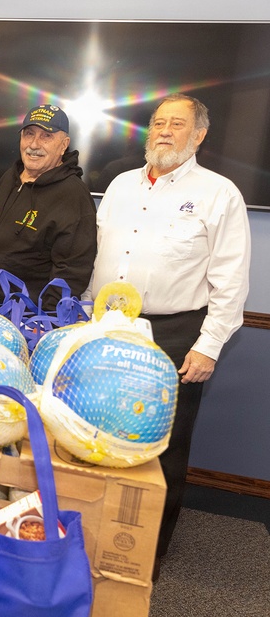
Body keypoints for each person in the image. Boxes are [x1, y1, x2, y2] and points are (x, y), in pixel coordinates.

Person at [90, 93, 251, 574]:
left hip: (176, 333)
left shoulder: (219, 193)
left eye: (176, 124)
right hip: (108, 326)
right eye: (158, 122)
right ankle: (97, 531)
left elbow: (231, 278)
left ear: (199, 135)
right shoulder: (119, 184)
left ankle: (144, 551)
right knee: (98, 429)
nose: (163, 131)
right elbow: (100, 254)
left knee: (165, 442)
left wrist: (209, 346)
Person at [0, 104, 97, 307]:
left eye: (46, 136)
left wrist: (44, 322)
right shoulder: (10, 178)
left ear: (64, 145)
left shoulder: (74, 195)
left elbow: (71, 273)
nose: (34, 144)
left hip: (28, 321)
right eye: (29, 134)